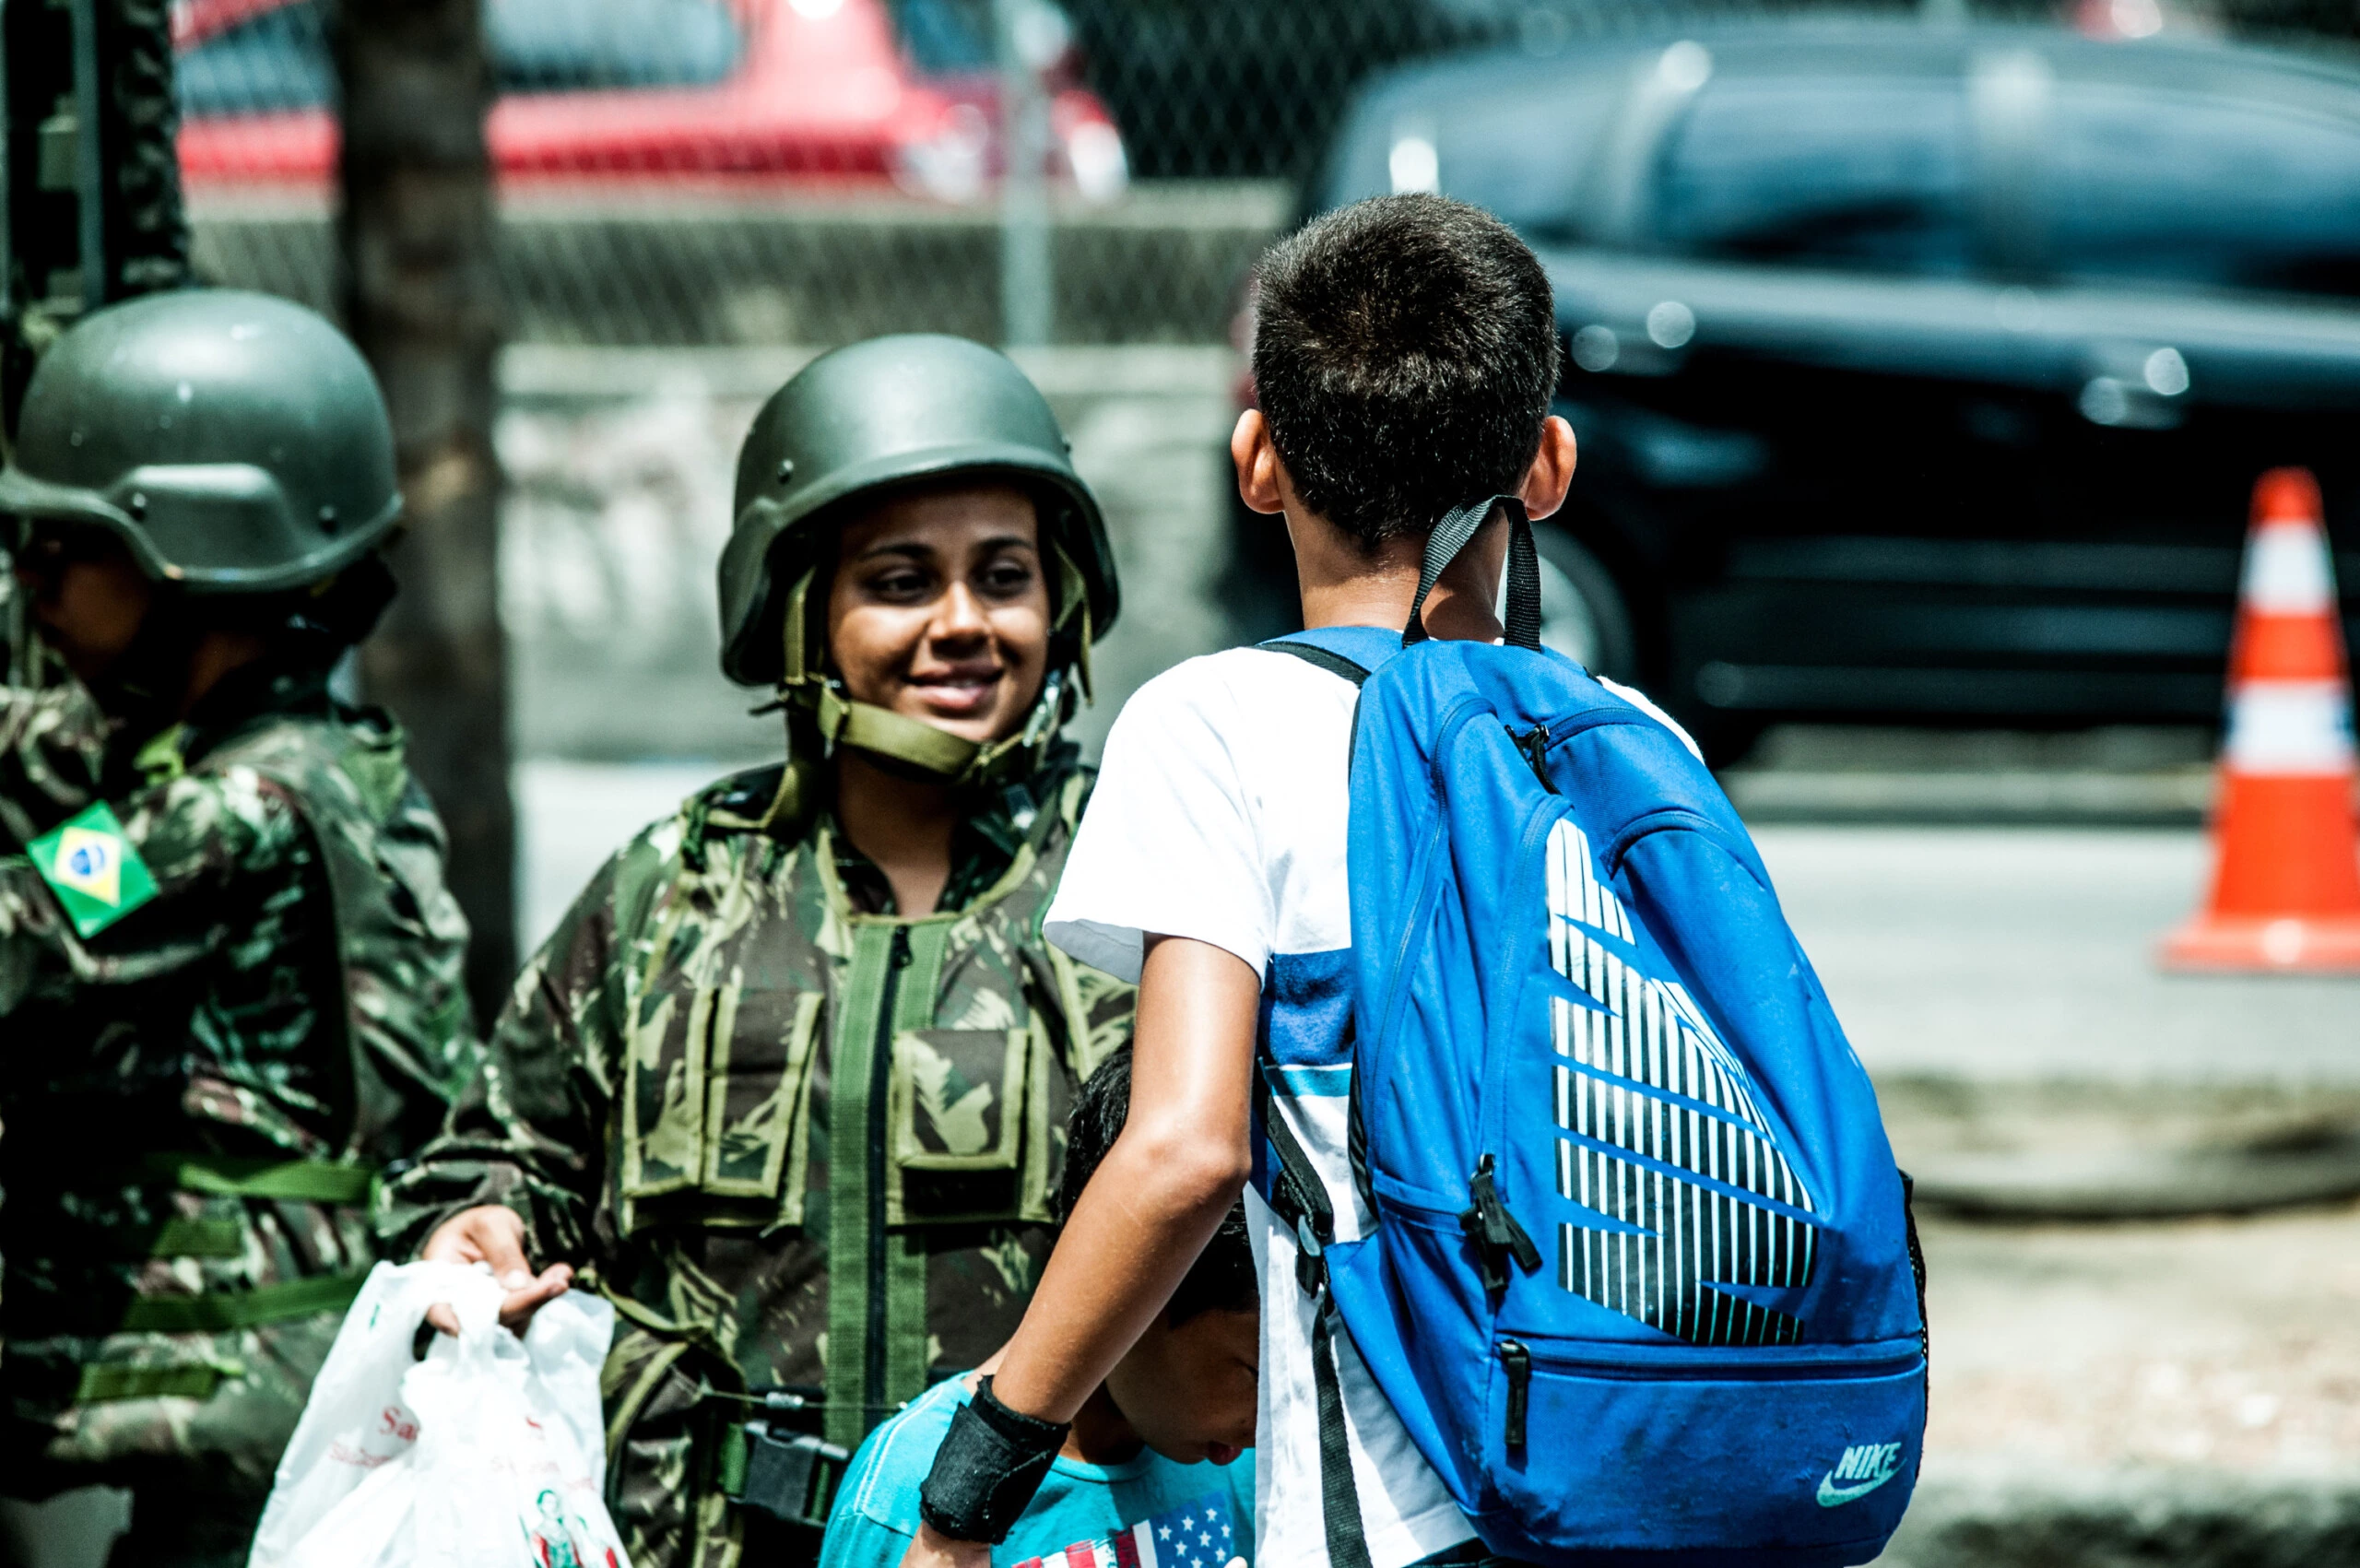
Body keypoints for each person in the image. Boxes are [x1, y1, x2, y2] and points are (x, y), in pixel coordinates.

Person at [379, 335, 1137, 1568]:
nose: (963, 624)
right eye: (900, 581)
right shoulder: (674, 888)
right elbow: (498, 1147)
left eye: (1004, 577)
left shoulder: (1137, 878)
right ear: (801, 613)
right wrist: (471, 1223)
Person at [903, 195, 1581, 1568]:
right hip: (1636, 1477)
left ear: (1257, 462)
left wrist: (966, 1493)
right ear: (1549, 466)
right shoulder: (1635, 744)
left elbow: (1184, 1150)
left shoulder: (1215, 726)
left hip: (1400, 1520)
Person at [0, 289, 478, 1565]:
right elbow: (49, 742)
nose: (32, 581)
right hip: (311, 1409)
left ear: (190, 557)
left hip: (254, 1439)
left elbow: (23, 922)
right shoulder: (309, 753)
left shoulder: (225, 810)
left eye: (63, 549)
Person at [819, 1046, 1256, 1568]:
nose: (1267, 1416)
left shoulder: (1233, 1458)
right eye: (1254, 1373)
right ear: (1145, 1274)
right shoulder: (903, 1496)